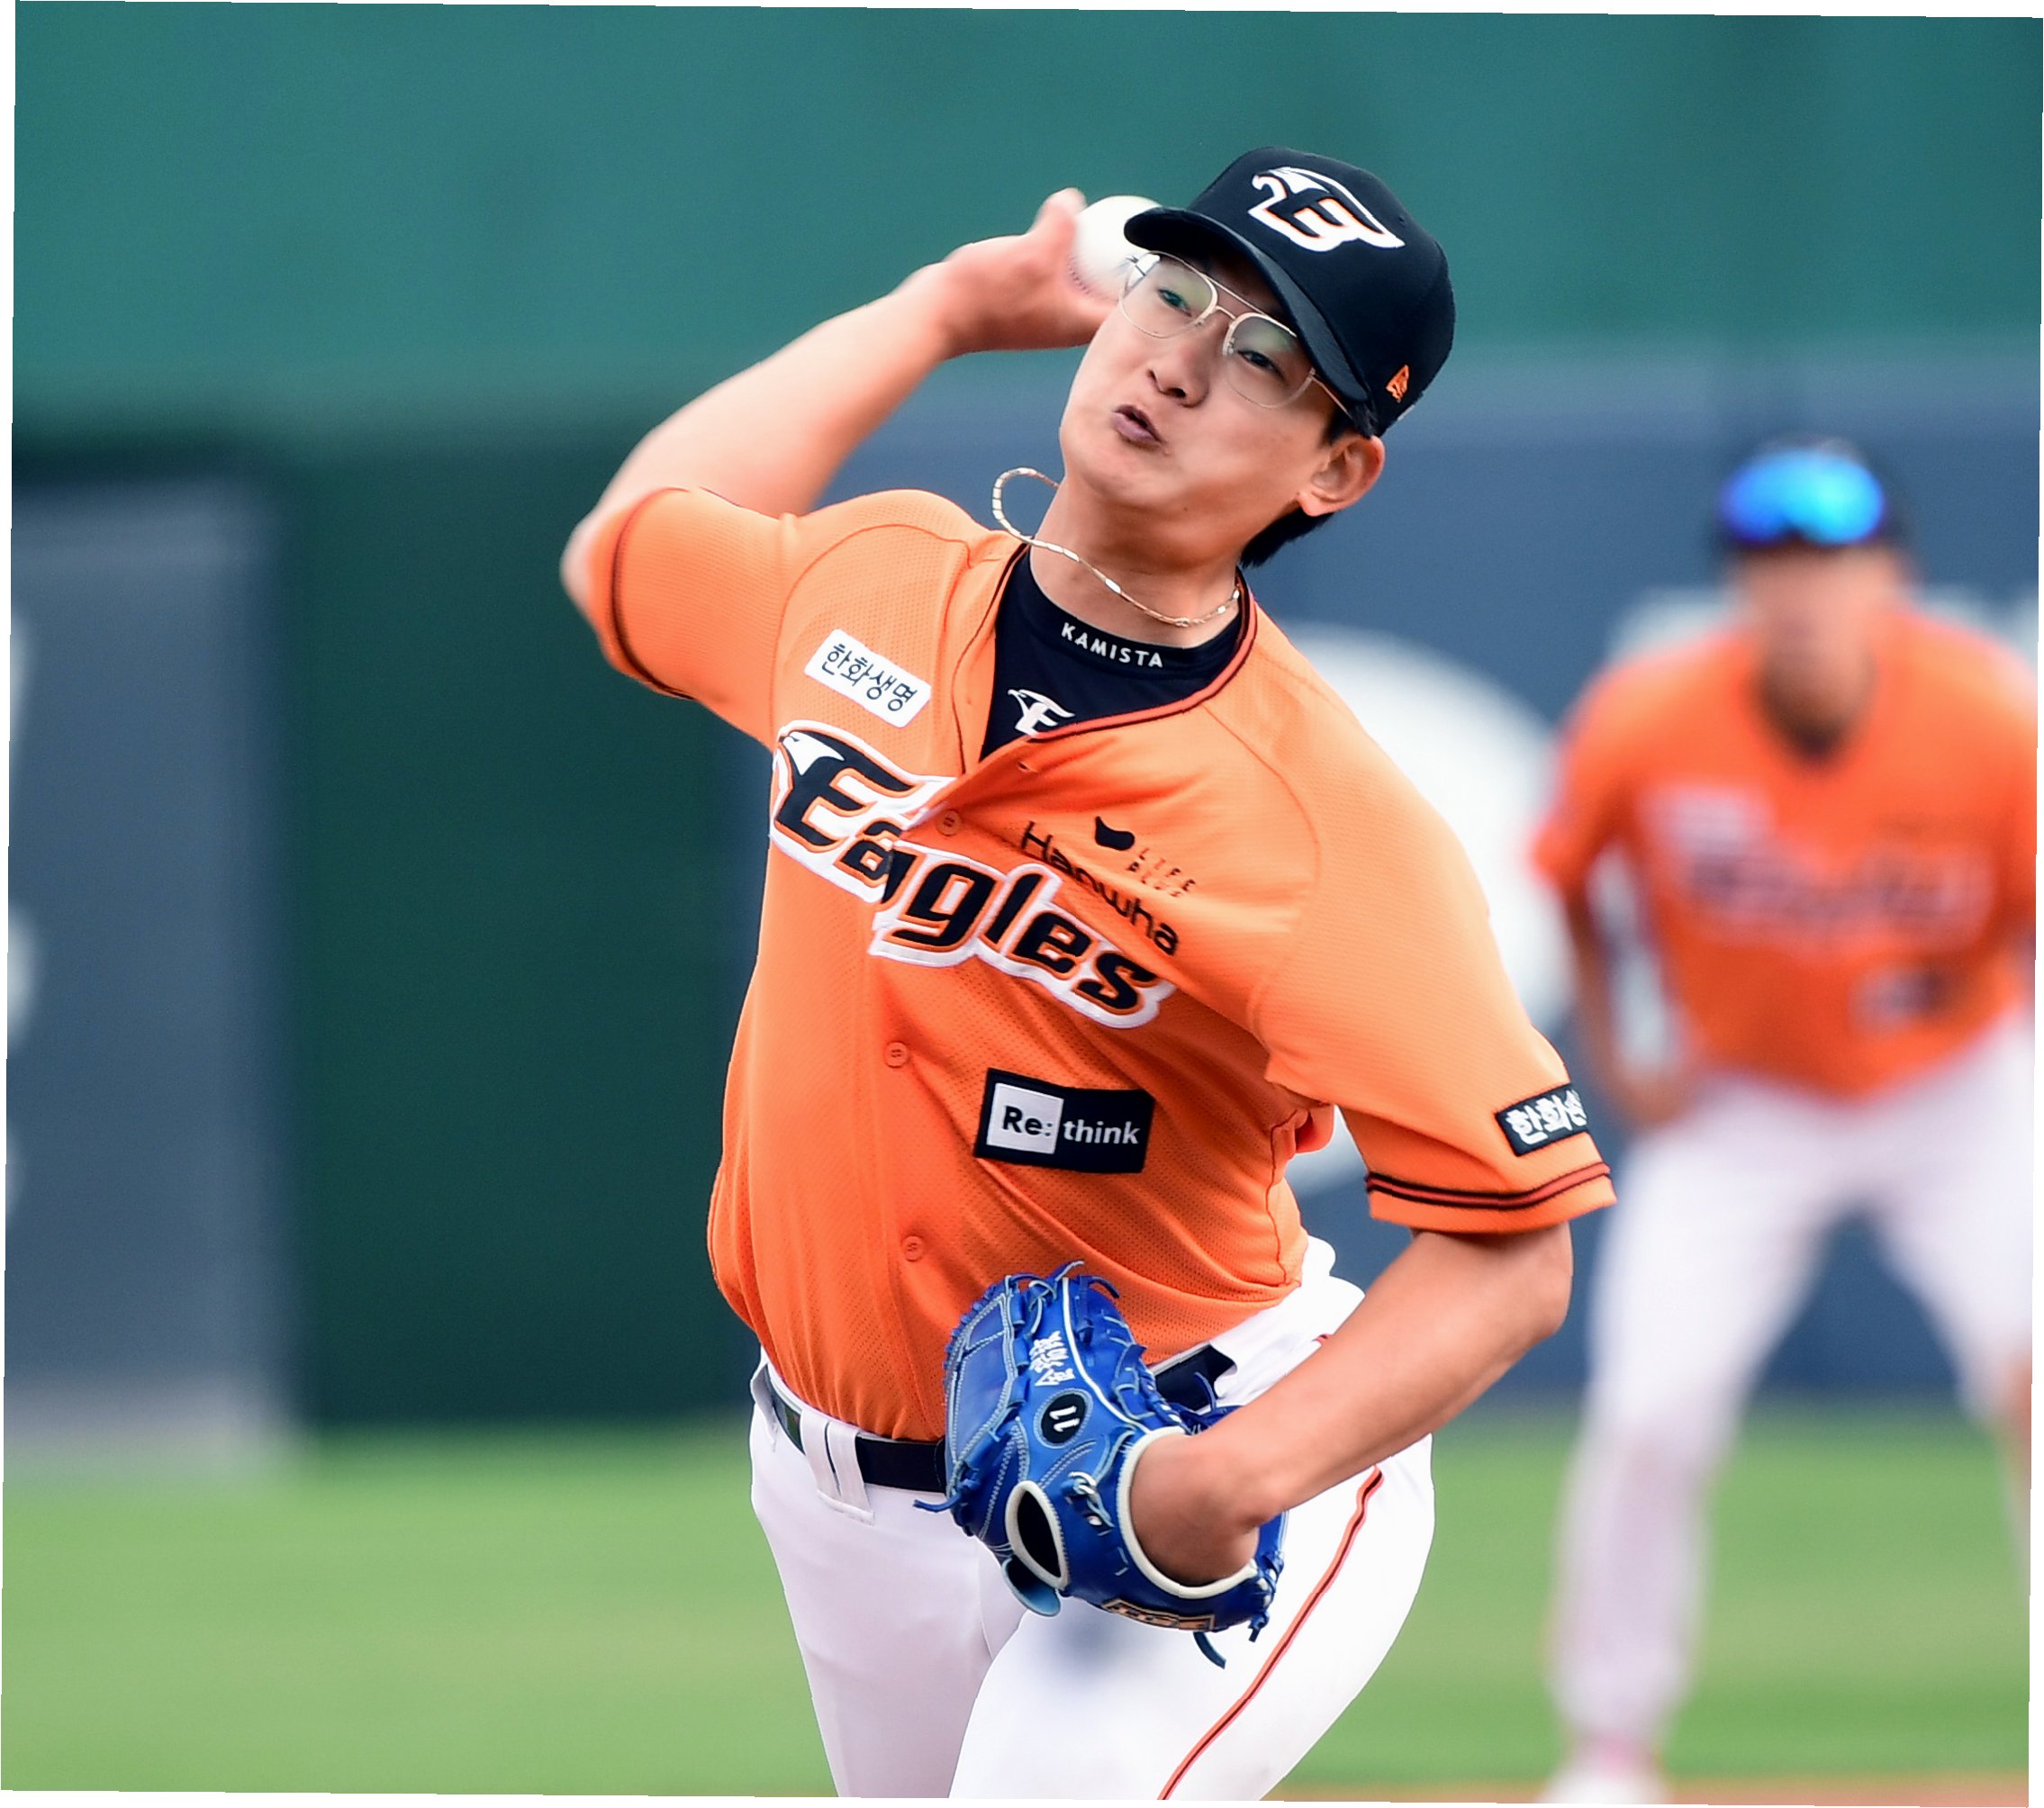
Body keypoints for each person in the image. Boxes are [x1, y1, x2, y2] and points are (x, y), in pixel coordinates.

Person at [560, 147, 1614, 1800]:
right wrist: (932, 313)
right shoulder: (868, 583)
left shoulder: (1318, 822)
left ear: (1336, 470)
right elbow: (628, 548)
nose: (1180, 360)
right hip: (837, 1497)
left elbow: (1512, 1252)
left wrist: (1223, 1484)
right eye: (1172, 292)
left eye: (1265, 357)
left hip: (1182, 1452)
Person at [1534, 440, 2035, 1804]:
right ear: (1739, 583)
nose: (1802, 589)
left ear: (1893, 575)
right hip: (1743, 1099)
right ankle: (1611, 1742)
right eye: (1773, 562)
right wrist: (1616, 1050)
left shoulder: (1987, 717)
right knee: (1649, 1408)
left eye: (1832, 559)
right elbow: (1568, 878)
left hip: (1954, 1086)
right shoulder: (1650, 717)